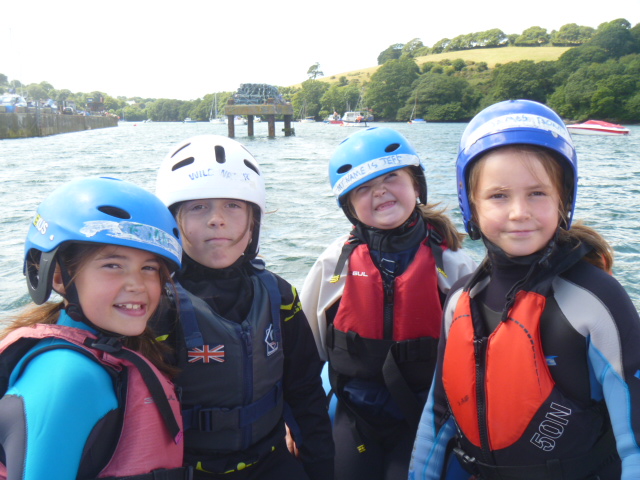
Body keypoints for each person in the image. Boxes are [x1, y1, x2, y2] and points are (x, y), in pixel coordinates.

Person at [409, 99, 640, 480]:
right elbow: (438, 417)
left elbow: (634, 438)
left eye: (537, 193)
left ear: (562, 200)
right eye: (499, 195)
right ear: (472, 206)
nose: (519, 212)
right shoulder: (459, 302)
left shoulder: (596, 300)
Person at [152, 135, 334, 480]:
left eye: (233, 206)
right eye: (198, 207)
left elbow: (305, 391)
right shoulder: (155, 305)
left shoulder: (279, 296)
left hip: (270, 461)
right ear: (173, 220)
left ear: (254, 222)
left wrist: (321, 469)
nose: (216, 219)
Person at [300, 127, 477, 480]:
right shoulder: (335, 263)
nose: (379, 191)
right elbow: (305, 349)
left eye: (391, 177)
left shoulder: (453, 262)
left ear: (416, 185)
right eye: (363, 188)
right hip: (356, 415)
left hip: (425, 415)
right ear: (349, 206)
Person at [0, 177, 190, 480]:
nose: (137, 284)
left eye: (149, 268)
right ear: (60, 278)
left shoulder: (107, 352)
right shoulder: (69, 377)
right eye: (113, 265)